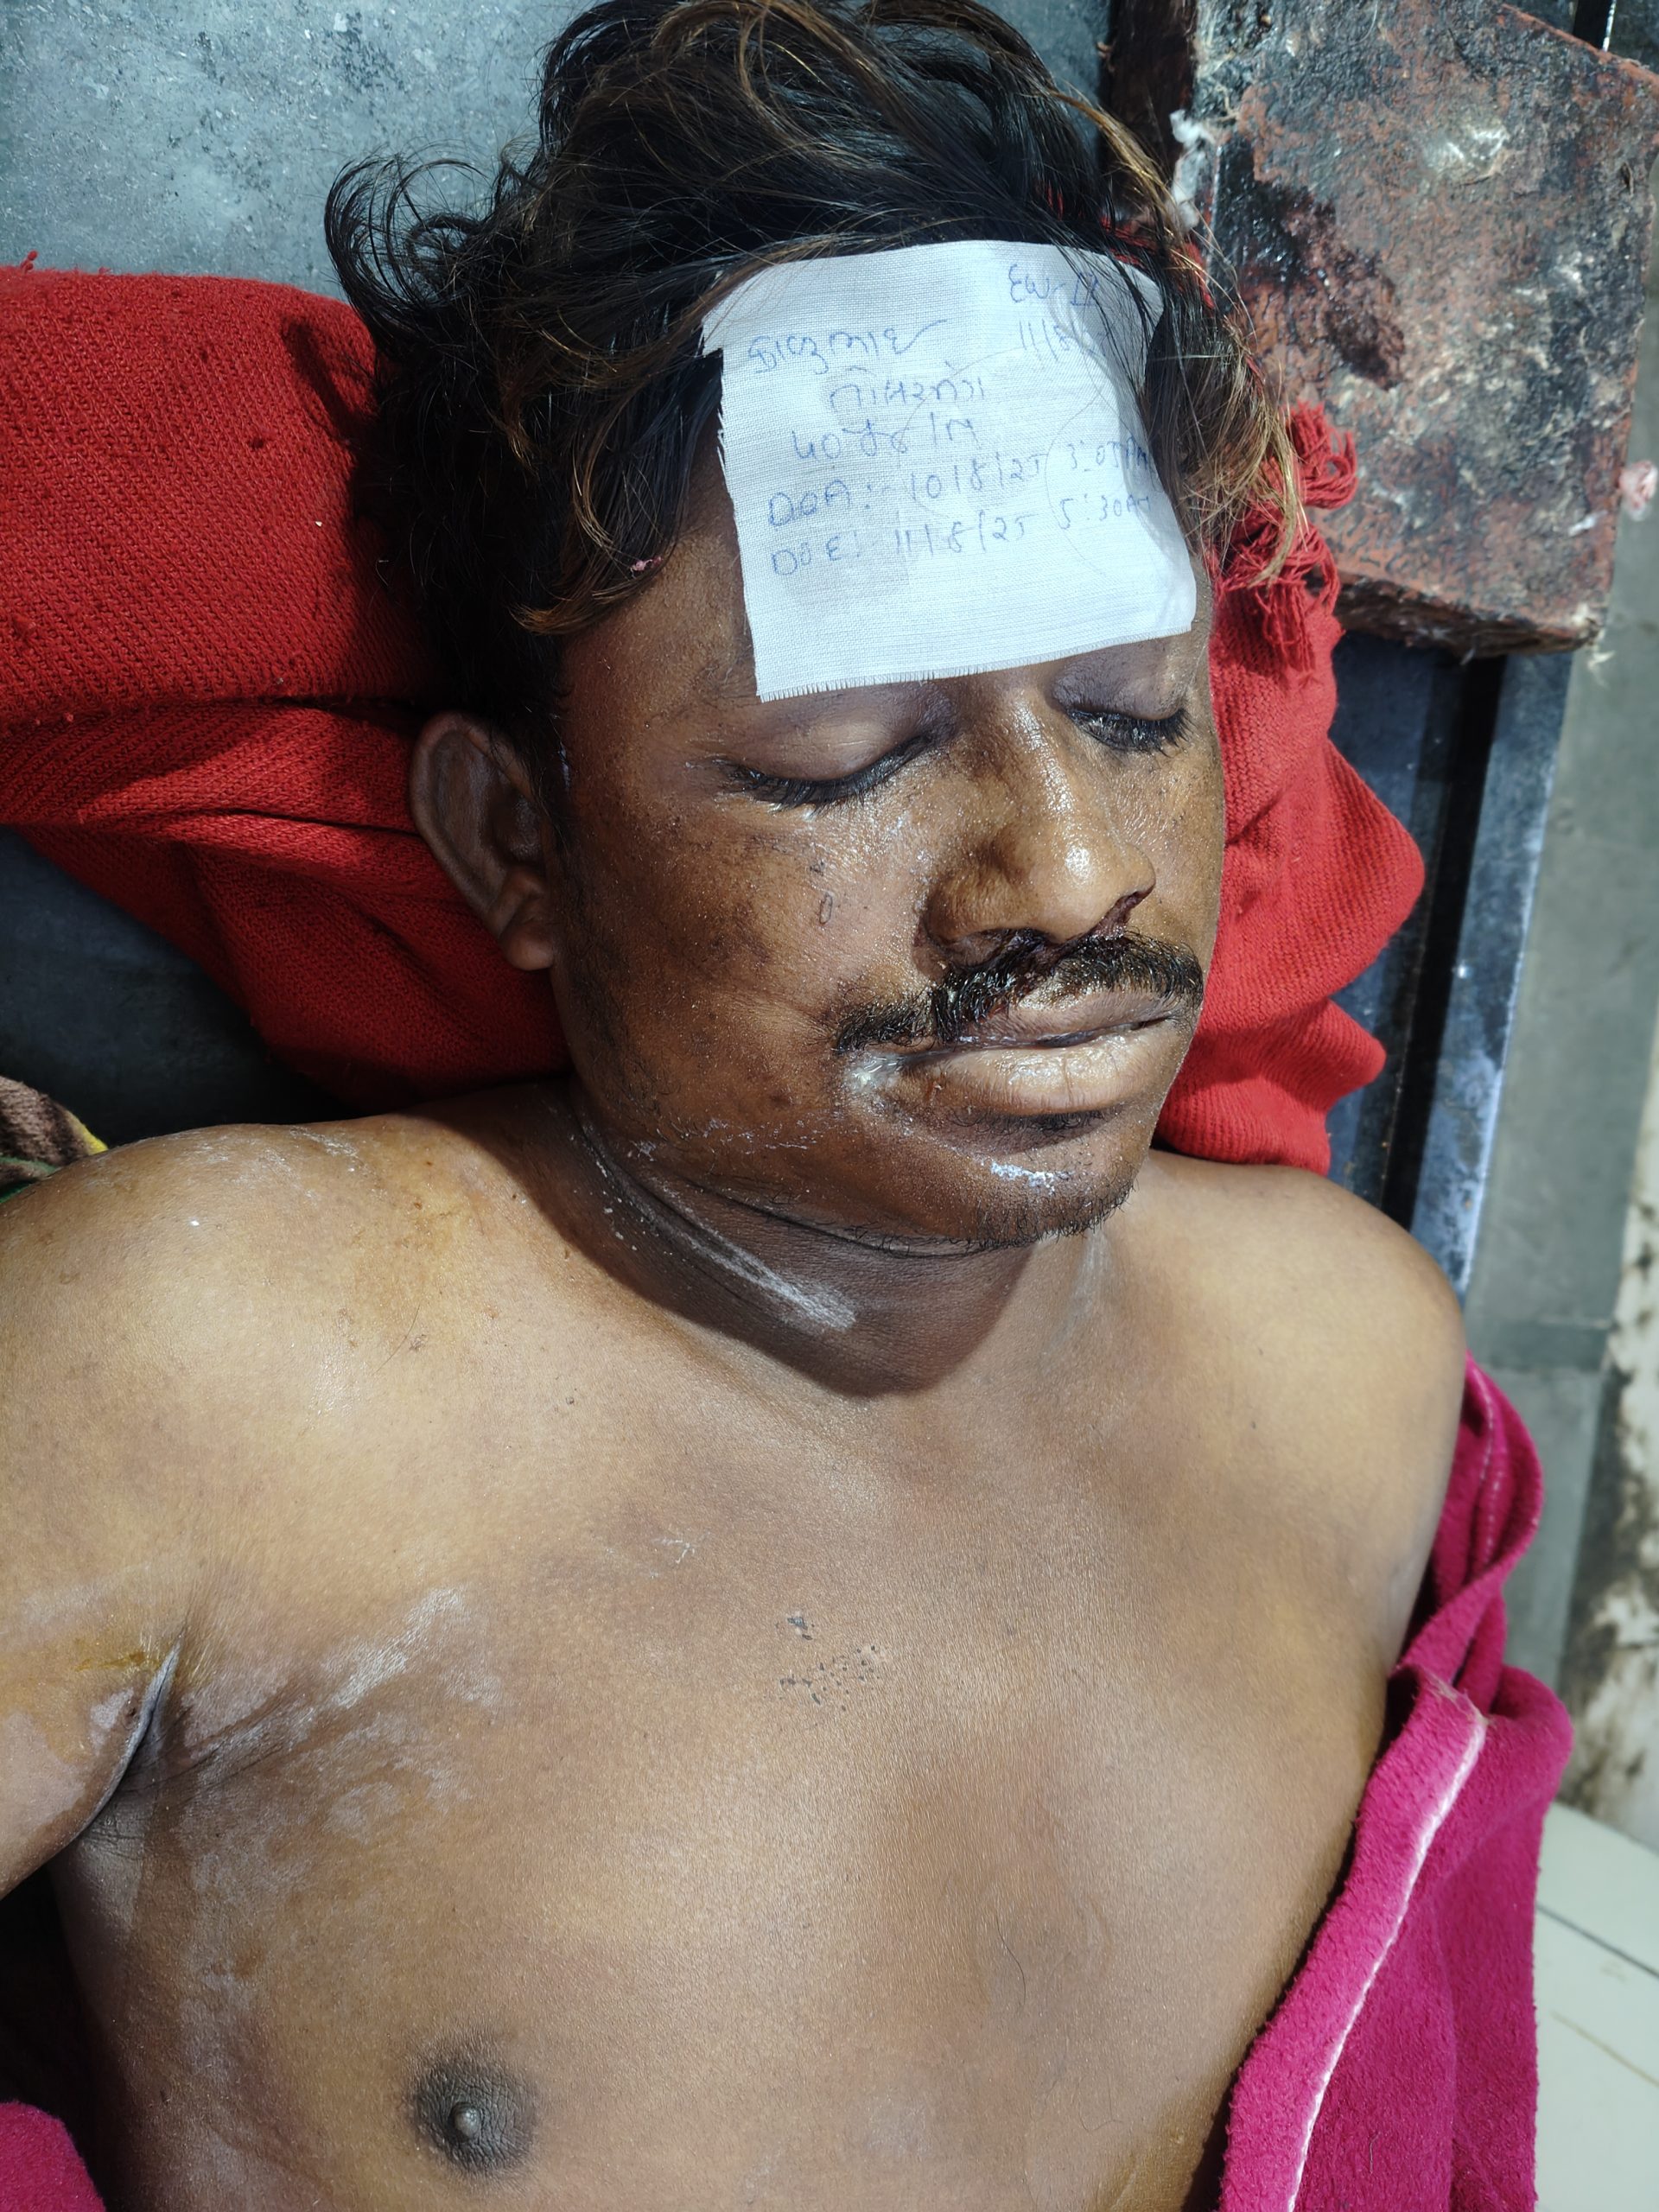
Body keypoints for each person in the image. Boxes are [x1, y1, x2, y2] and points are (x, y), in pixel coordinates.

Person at [0, 3, 1481, 2205]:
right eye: (846, 758)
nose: (1072, 866)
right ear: (516, 840)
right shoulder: (211, 1372)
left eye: (1129, 710)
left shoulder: (1354, 1363)